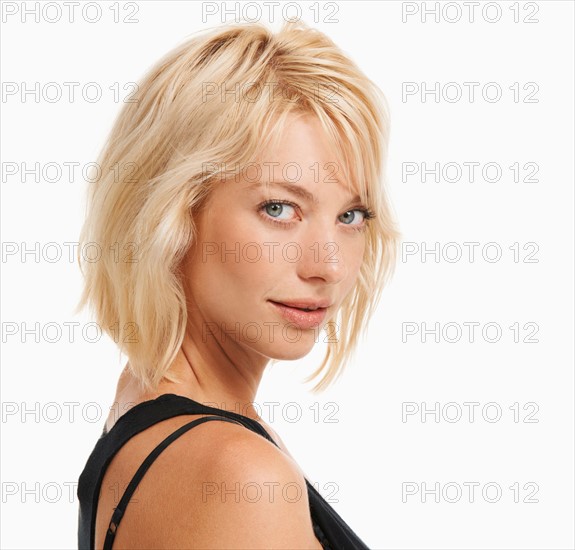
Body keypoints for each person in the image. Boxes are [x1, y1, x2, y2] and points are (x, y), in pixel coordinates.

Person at [76, 18, 400, 549]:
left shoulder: (144, 400)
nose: (329, 266)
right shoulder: (241, 478)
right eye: (279, 208)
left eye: (351, 215)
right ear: (172, 215)